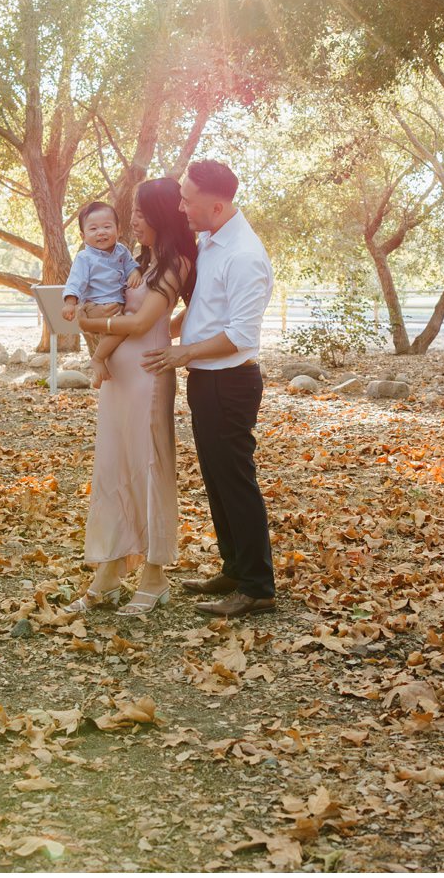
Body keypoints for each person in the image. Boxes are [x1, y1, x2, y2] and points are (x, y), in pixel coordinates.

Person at [142, 159, 276, 618]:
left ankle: (258, 586)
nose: (180, 207)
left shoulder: (245, 255)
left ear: (216, 204)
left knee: (236, 482)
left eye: (187, 198)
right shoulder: (211, 240)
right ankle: (234, 568)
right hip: (207, 378)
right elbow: (204, 310)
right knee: (216, 480)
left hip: (230, 381)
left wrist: (182, 353)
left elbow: (241, 335)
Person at [63, 178, 197, 618]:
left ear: (160, 215)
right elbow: (151, 320)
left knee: (149, 468)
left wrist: (91, 324)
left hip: (147, 379)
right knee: (114, 465)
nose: (133, 220)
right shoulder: (139, 261)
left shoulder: (175, 261)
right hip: (119, 380)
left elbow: (140, 324)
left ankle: (155, 575)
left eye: (140, 213)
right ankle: (110, 568)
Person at [60, 201, 137, 356]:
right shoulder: (85, 257)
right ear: (83, 236)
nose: (101, 232)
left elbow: (130, 265)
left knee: (123, 331)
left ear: (118, 229)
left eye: (107, 227)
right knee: (123, 328)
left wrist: (135, 272)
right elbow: (75, 281)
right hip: (95, 306)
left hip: (117, 304)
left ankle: (106, 360)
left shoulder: (122, 250)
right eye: (93, 229)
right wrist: (70, 303)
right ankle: (98, 358)